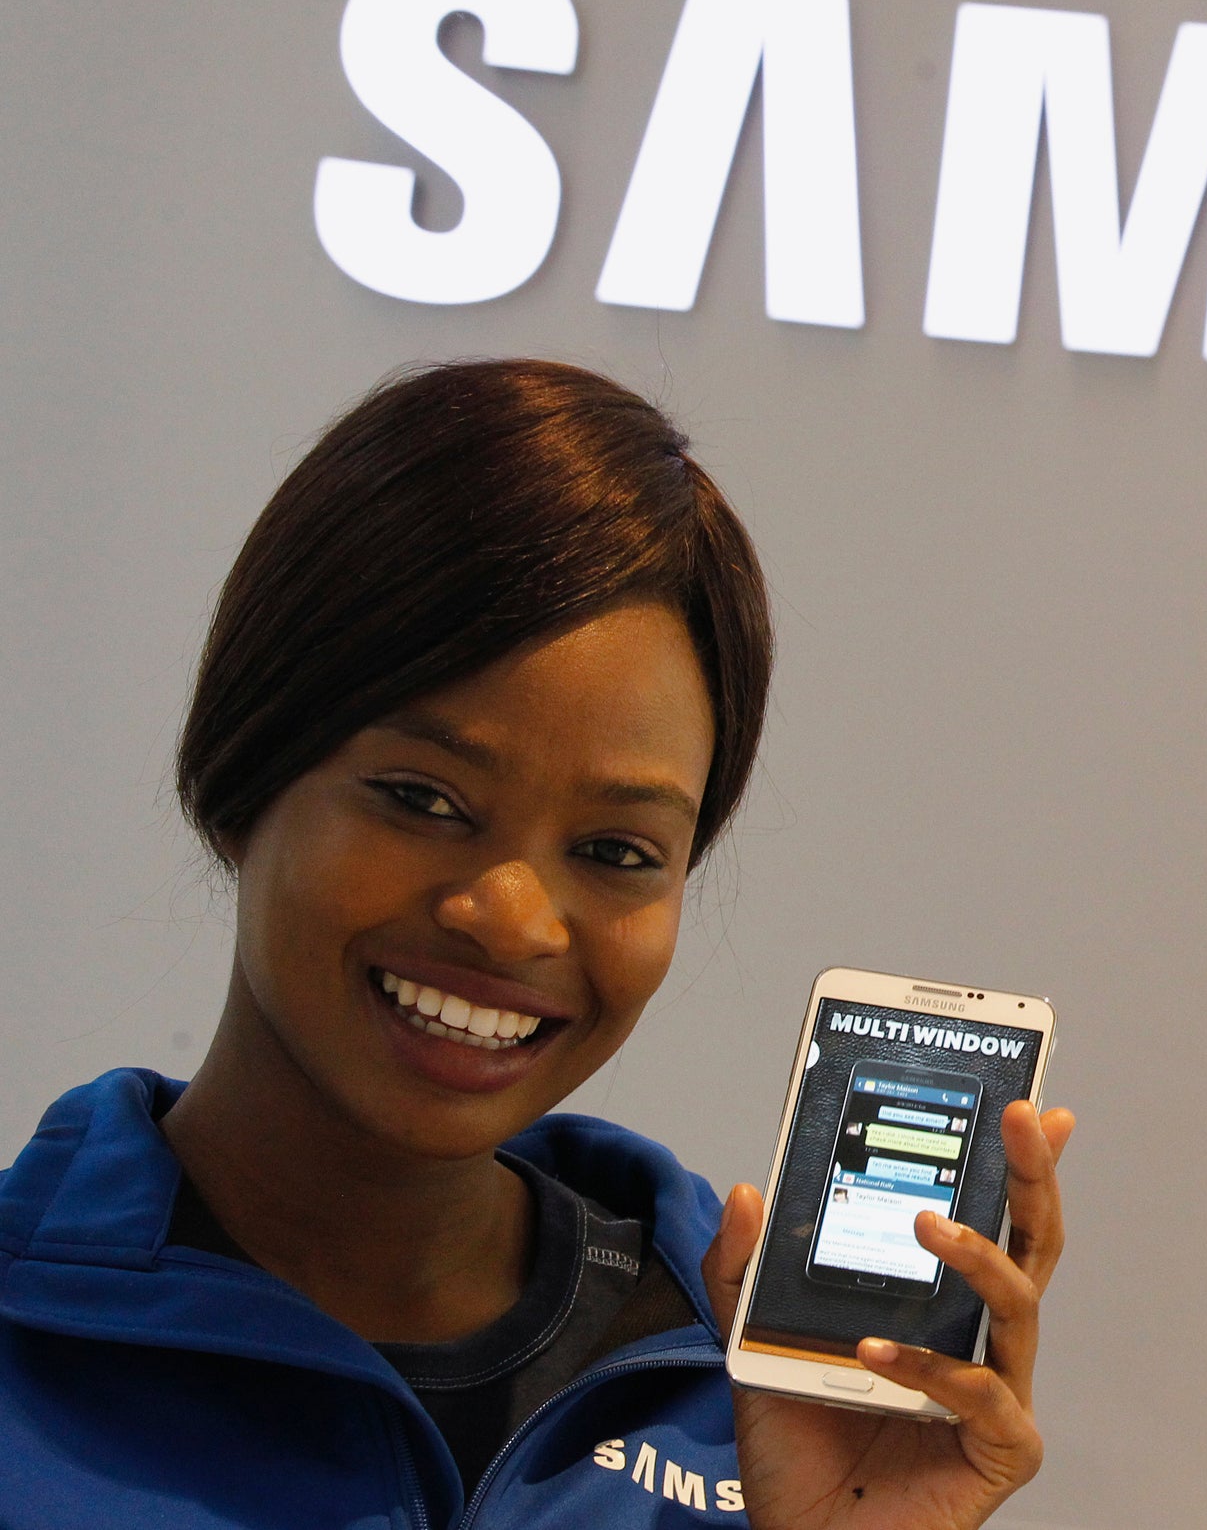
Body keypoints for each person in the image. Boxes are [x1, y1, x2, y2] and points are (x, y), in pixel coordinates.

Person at [0, 359, 1076, 1528]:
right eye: (421, 797)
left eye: (616, 851)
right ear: (240, 768)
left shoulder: (745, 1392)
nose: (513, 918)